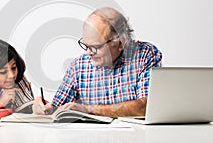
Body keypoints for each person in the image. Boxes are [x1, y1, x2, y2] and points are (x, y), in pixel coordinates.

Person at [33, 7, 162, 118]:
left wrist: (88, 109)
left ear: (121, 42)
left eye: (96, 47)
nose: (89, 53)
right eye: (85, 45)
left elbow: (146, 107)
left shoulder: (145, 55)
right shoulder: (79, 66)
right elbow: (59, 110)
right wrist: (44, 108)